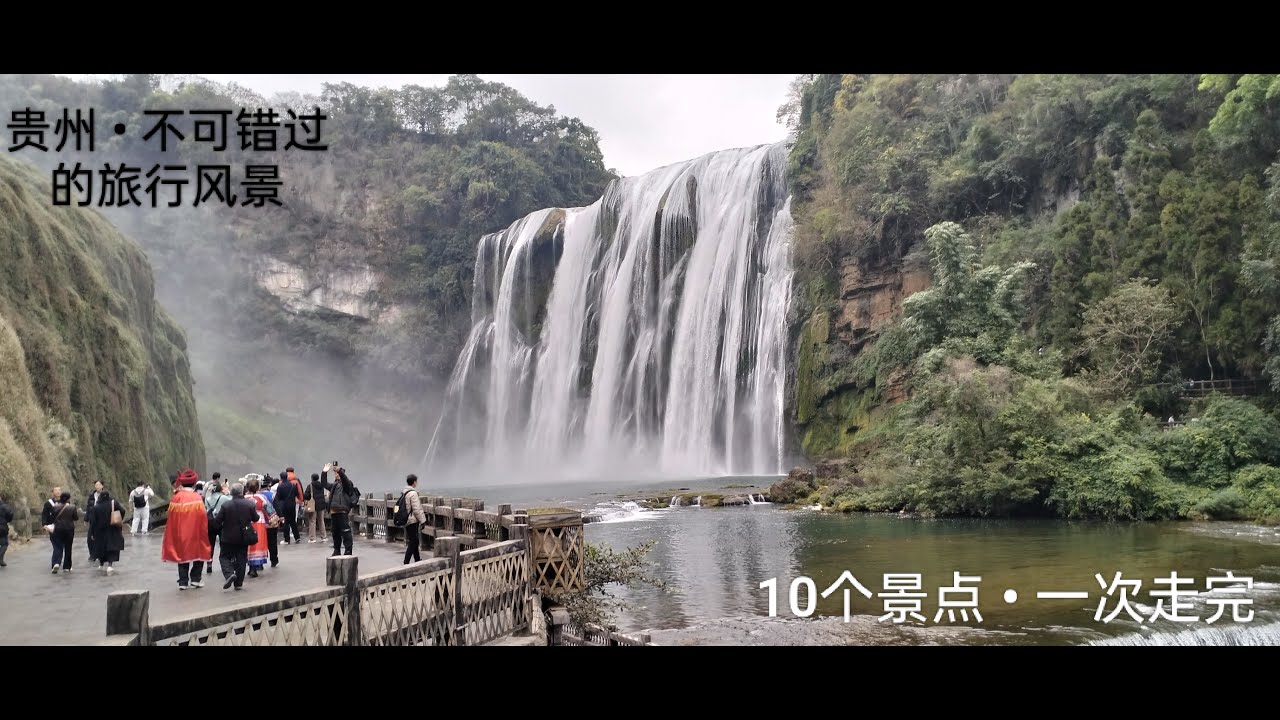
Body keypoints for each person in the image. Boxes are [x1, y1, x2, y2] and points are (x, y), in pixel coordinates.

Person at [161, 469, 212, 590]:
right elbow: (202, 517)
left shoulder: (176, 498)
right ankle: (195, 579)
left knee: (182, 556)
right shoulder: (197, 498)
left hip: (180, 533)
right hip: (196, 533)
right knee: (199, 554)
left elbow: (171, 518)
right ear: (194, 483)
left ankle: (183, 582)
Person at [210, 481, 256, 591]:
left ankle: (229, 573)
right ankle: (238, 583)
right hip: (243, 536)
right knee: (241, 558)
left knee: (224, 557)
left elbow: (217, 521)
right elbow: (256, 518)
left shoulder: (226, 505)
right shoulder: (250, 504)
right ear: (242, 492)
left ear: (232, 492)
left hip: (228, 536)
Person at [321, 463, 358, 557]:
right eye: (336, 473)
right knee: (335, 532)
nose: (336, 474)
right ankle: (336, 550)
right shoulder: (334, 485)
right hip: (333, 511)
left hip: (342, 511)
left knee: (345, 531)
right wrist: (324, 472)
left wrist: (340, 471)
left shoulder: (347, 485)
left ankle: (348, 550)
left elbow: (345, 480)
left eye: (338, 473)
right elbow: (324, 484)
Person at [243, 476, 276, 578]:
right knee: (257, 543)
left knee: (247, 545)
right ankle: (256, 566)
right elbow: (270, 512)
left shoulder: (244, 498)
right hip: (259, 523)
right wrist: (272, 520)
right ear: (258, 488)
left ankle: (249, 568)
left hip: (246, 523)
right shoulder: (261, 498)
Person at [87, 491, 125, 575]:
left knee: (101, 547)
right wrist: (118, 518)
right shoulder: (114, 503)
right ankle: (110, 565)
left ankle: (101, 564)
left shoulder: (96, 507)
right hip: (113, 528)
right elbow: (122, 511)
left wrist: (92, 532)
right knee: (112, 547)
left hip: (99, 531)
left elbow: (93, 521)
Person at [203, 477, 231, 578]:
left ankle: (209, 562)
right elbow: (231, 500)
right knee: (223, 542)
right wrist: (227, 491)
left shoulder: (207, 499)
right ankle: (224, 561)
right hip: (221, 522)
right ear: (220, 489)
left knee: (210, 543)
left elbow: (206, 510)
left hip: (210, 523)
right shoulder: (223, 498)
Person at [49, 492, 78, 574]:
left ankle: (56, 563)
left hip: (58, 529)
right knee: (68, 548)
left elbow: (52, 518)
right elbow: (75, 518)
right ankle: (67, 567)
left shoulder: (55, 507)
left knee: (58, 547)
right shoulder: (72, 507)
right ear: (69, 499)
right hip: (69, 530)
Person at [401, 474, 426, 565]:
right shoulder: (413, 493)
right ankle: (406, 562)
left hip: (406, 519)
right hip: (412, 520)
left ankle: (417, 560)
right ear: (414, 482)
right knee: (414, 541)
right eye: (416, 481)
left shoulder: (404, 492)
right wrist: (423, 520)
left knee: (414, 539)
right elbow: (416, 509)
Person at [273, 470, 301, 545]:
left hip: (284, 505)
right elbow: (296, 493)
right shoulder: (293, 485)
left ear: (281, 478)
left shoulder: (280, 486)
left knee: (286, 522)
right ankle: (297, 537)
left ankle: (286, 539)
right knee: (293, 521)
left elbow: (278, 497)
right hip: (292, 504)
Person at [303, 472, 328, 543]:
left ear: (312, 478)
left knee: (312, 521)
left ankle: (312, 538)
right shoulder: (321, 485)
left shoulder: (310, 486)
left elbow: (307, 496)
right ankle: (324, 537)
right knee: (321, 521)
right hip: (321, 505)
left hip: (313, 506)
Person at [85, 480, 104, 562]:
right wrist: (86, 518)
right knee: (90, 538)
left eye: (99, 485)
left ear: (102, 486)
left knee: (102, 537)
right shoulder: (92, 496)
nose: (97, 487)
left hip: (103, 519)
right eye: (96, 485)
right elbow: (88, 507)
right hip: (93, 518)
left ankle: (102, 554)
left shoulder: (106, 495)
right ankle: (92, 555)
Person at [41, 485, 62, 559]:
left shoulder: (65, 502)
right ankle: (56, 562)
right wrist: (44, 524)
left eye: (59, 490)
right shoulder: (48, 503)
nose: (58, 491)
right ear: (52, 492)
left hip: (63, 526)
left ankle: (58, 561)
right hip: (52, 526)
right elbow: (44, 514)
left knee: (61, 545)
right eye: (55, 490)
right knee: (56, 544)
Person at [0, 495, 12, 567]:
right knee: (4, 544)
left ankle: (1, 559)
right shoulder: (5, 507)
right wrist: (6, 520)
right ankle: (0, 558)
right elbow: (10, 515)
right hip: (2, 528)